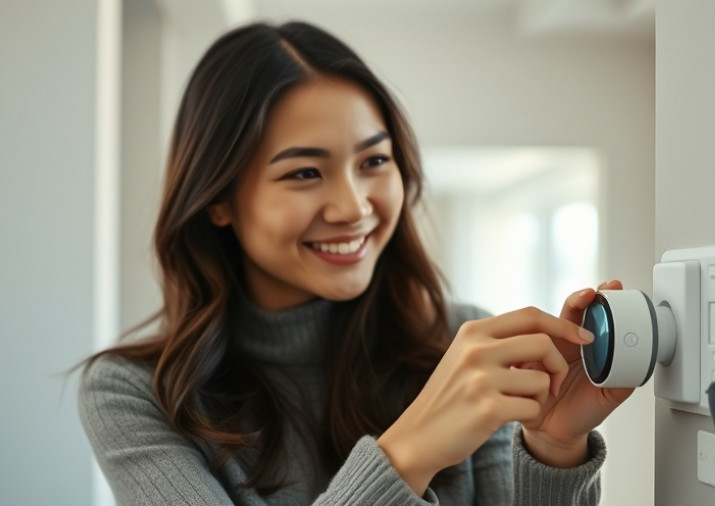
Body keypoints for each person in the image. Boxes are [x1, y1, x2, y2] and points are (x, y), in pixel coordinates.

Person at [78, 21, 634, 505]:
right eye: (303, 172)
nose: (353, 207)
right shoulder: (135, 393)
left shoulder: (456, 340)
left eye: (373, 160)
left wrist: (555, 449)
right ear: (219, 199)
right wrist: (408, 453)